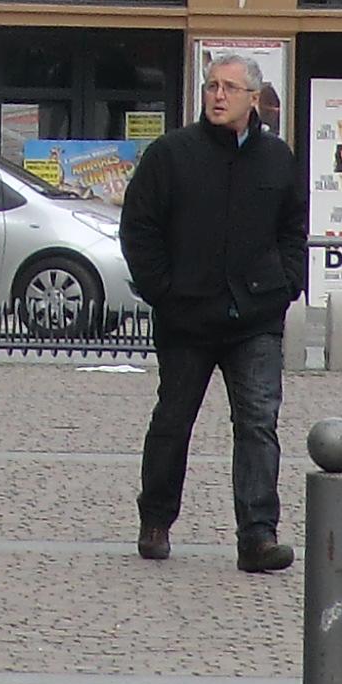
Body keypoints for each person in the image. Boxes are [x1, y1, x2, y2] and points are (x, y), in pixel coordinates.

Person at [121, 52, 311, 571]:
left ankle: (258, 535)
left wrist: (286, 283)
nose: (218, 96)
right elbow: (139, 227)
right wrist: (164, 290)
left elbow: (293, 229)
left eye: (229, 87)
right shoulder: (172, 154)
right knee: (173, 420)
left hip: (255, 315)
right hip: (187, 316)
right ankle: (156, 519)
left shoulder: (277, 158)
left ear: (255, 98)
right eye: (211, 86)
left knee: (258, 422)